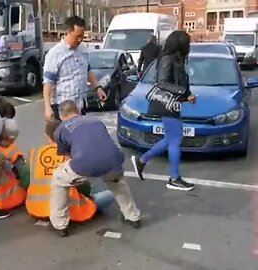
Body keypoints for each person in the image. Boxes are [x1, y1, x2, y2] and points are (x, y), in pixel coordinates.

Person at [50, 101, 141, 237]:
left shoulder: (61, 129)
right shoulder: (95, 121)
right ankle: (133, 217)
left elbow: (66, 154)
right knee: (117, 183)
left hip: (85, 163)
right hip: (113, 159)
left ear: (61, 116)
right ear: (78, 111)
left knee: (59, 179)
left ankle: (60, 224)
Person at [131, 30, 196, 191]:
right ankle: (174, 178)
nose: (189, 46)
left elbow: (179, 80)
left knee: (170, 139)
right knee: (175, 140)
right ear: (180, 44)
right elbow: (162, 83)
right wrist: (183, 93)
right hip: (167, 104)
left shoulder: (177, 58)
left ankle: (142, 160)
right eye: (187, 43)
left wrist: (188, 94)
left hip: (173, 104)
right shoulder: (167, 59)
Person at [26, 119, 114, 230]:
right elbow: (83, 186)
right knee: (109, 195)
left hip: (36, 208)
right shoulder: (72, 154)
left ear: (46, 136)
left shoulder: (35, 153)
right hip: (70, 210)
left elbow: (26, 180)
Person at [42, 16, 107, 121]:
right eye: (77, 36)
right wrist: (47, 107)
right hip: (63, 108)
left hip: (80, 105)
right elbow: (48, 83)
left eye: (82, 36)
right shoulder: (55, 54)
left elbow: (88, 71)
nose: (80, 39)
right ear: (68, 32)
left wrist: (97, 88)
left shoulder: (83, 50)